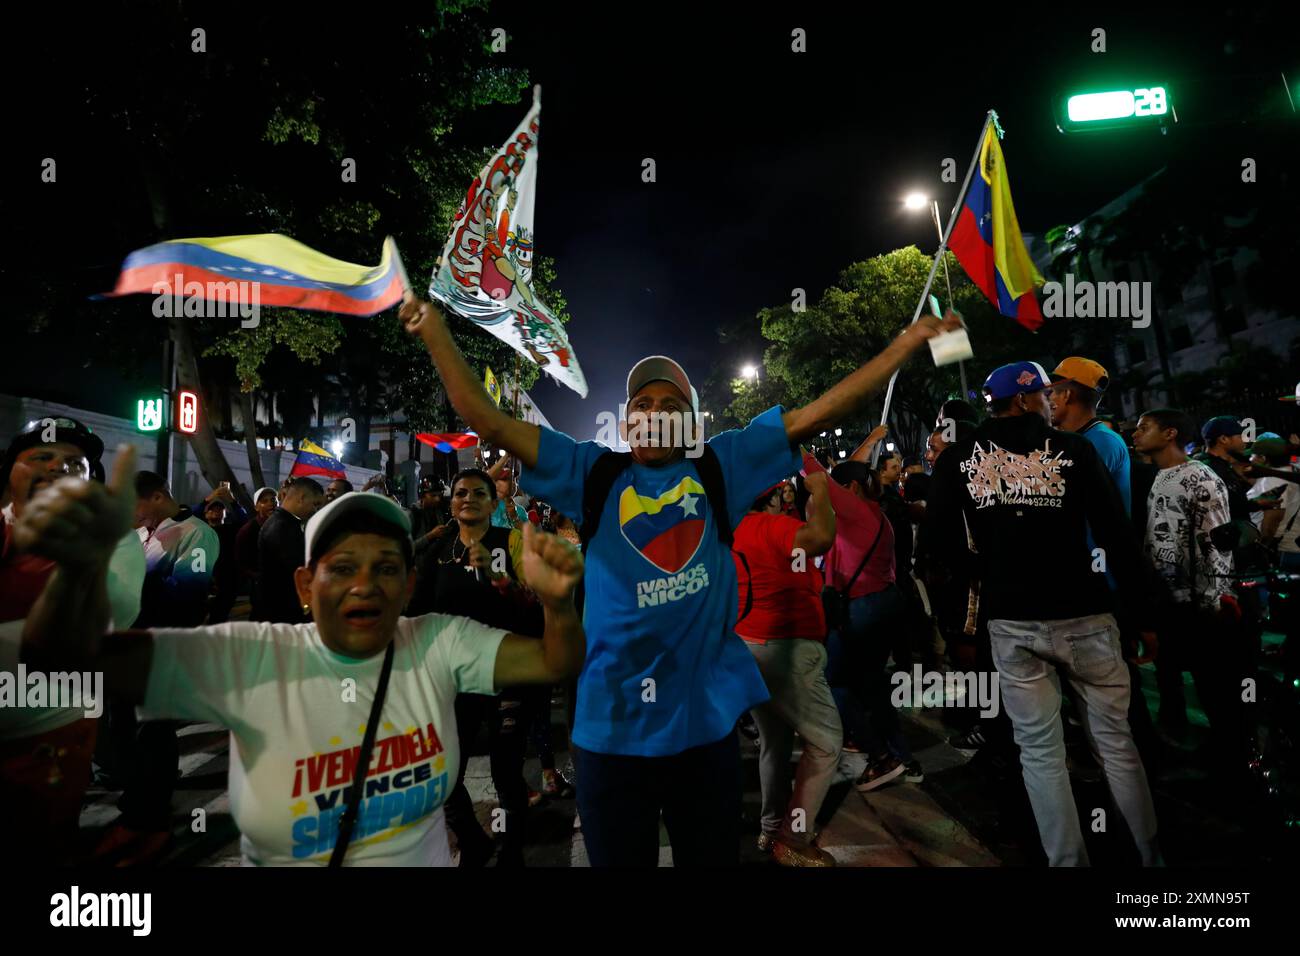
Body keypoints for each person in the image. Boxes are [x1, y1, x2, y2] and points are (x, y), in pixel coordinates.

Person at [398, 291, 960, 866]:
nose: (655, 411)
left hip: (704, 734)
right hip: (609, 737)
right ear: (626, 420)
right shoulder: (591, 472)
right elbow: (482, 416)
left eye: (672, 403)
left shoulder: (722, 466)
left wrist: (905, 344)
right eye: (642, 402)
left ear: (690, 422)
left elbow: (821, 412)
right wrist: (437, 332)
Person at [17, 474, 586, 866]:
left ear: (408, 586)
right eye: (342, 567)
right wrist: (80, 574)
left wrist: (557, 602)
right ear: (305, 586)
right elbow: (59, 659)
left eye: (386, 568)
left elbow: (555, 659)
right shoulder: (252, 657)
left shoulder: (435, 640)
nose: (365, 584)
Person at [926, 361, 1160, 867]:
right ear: (1027, 399)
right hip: (1084, 612)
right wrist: (1144, 615)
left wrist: (987, 570)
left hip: (1012, 620)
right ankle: (1146, 858)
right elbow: (1117, 536)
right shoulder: (1074, 451)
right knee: (1116, 745)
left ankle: (1066, 859)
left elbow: (939, 542)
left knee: (1040, 751)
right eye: (1046, 394)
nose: (1052, 402)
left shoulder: (959, 458)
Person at [0, 422, 145, 865]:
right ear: (11, 472)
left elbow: (115, 614)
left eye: (71, 463)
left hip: (53, 729)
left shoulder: (112, 538)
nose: (54, 468)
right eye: (39, 458)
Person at [408, 468, 546, 866]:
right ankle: (472, 840)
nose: (467, 498)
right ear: (452, 503)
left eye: (477, 493)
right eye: (460, 493)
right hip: (452, 680)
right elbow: (419, 611)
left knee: (506, 771)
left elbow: (534, 604)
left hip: (506, 673)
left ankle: (511, 849)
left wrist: (498, 576)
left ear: (491, 503)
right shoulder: (439, 549)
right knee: (445, 773)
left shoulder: (512, 541)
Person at [732, 469, 839, 866]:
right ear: (772, 498)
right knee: (826, 742)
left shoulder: (735, 528)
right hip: (784, 652)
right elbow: (822, 538)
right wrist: (822, 493)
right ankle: (794, 838)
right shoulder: (769, 526)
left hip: (750, 647)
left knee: (774, 745)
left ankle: (770, 827)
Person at [1130, 409, 1246, 768]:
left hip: (1199, 602)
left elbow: (1216, 541)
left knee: (1213, 684)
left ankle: (1236, 756)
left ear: (1170, 433)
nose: (1135, 434)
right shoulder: (1154, 476)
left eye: (1143, 428)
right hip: (1167, 600)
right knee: (1172, 674)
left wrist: (1218, 596)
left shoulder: (1199, 476)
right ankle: (1189, 741)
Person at [823, 459, 918, 787]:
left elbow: (813, 473)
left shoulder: (856, 512)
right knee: (872, 684)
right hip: (883, 604)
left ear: (849, 489)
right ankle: (901, 756)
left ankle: (880, 755)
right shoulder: (876, 516)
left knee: (835, 682)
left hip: (863, 609)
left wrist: (787, 435)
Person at [252, 476, 325, 623]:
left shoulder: (283, 522)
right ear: (302, 498)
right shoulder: (283, 527)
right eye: (315, 504)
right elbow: (298, 567)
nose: (316, 510)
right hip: (281, 613)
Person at [235, 486, 278, 598]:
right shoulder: (247, 530)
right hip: (260, 586)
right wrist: (258, 577)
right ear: (256, 507)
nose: (271, 503)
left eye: (273, 499)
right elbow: (241, 562)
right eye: (264, 501)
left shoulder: (282, 526)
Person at [410, 476, 454, 559]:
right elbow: (405, 548)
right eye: (433, 495)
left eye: (439, 495)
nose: (437, 499)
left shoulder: (439, 511)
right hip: (420, 567)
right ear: (422, 495)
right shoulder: (413, 514)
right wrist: (430, 536)